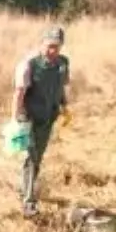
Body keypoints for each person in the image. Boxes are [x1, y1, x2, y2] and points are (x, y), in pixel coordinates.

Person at [13, 26, 72, 218]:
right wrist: (16, 118)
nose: (53, 50)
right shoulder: (30, 64)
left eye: (57, 46)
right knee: (31, 157)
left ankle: (24, 188)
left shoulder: (63, 63)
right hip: (30, 117)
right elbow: (19, 93)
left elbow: (60, 87)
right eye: (50, 46)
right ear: (42, 44)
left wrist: (64, 107)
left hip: (49, 117)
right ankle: (28, 202)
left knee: (37, 158)